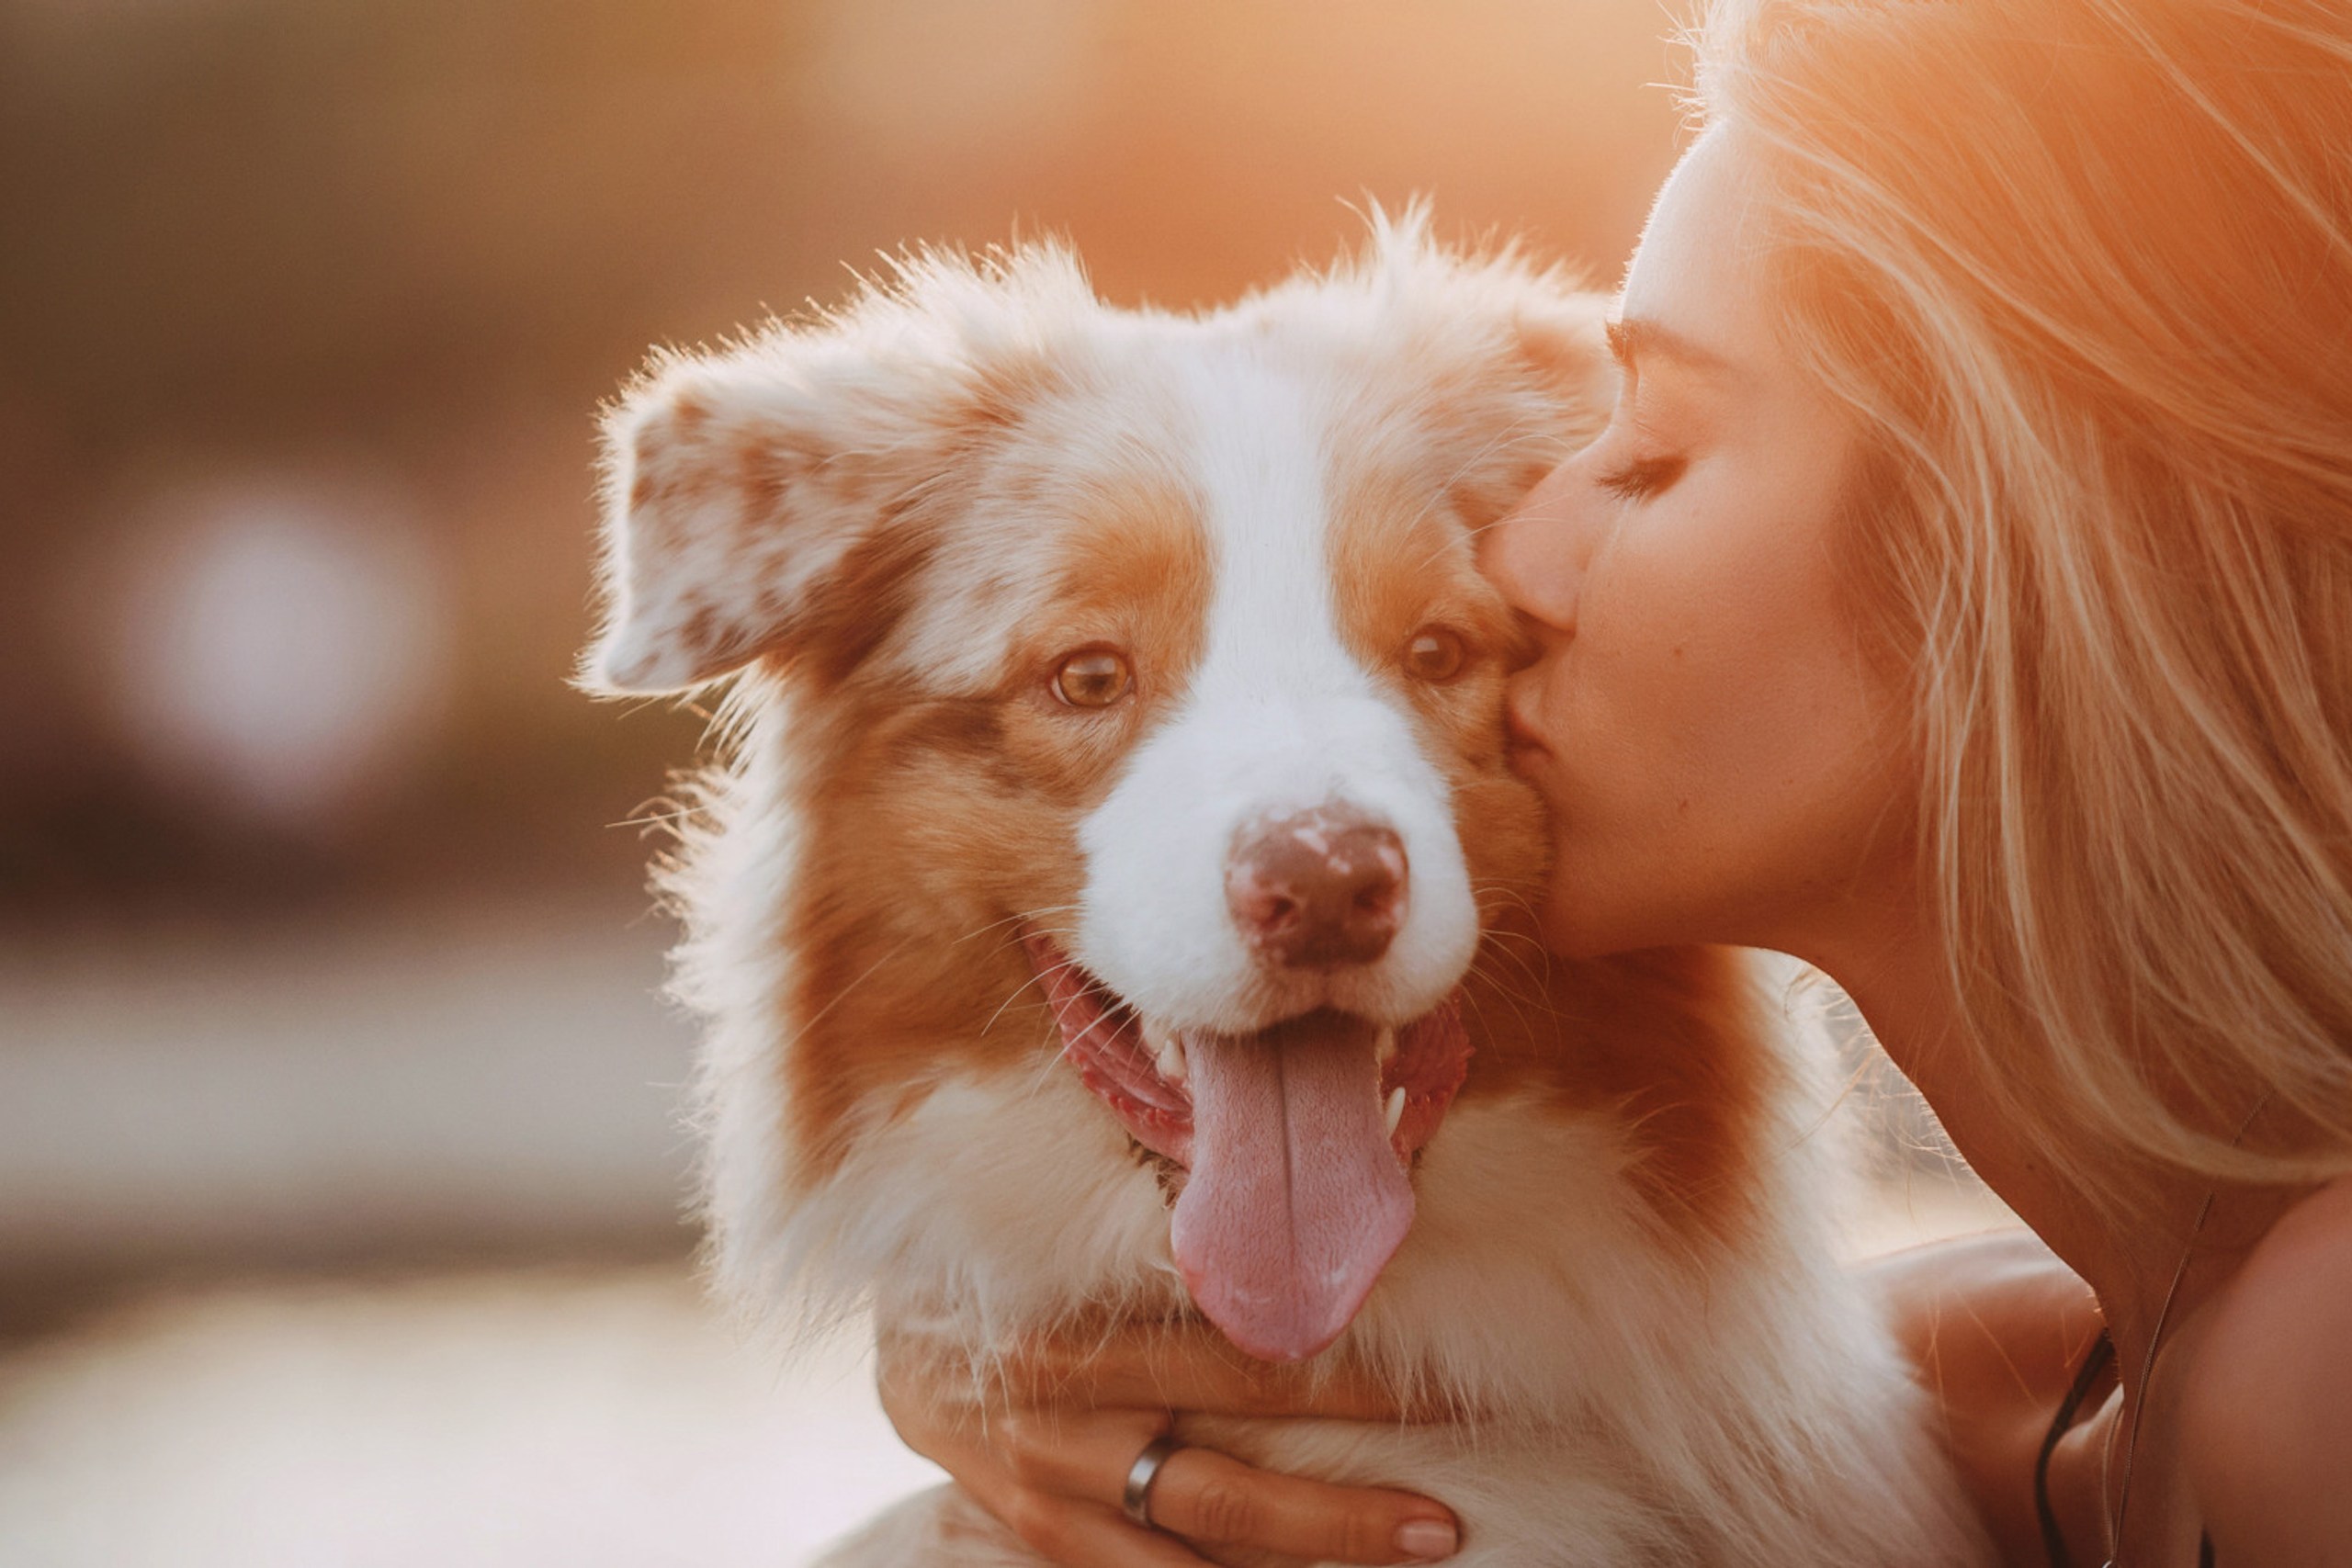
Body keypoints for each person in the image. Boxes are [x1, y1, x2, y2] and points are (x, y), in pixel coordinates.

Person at [876, 1, 2352, 1562]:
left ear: (2006, 555)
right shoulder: (2069, 1383)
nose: (1512, 553)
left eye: (1643, 453)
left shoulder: (2311, 1371)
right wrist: (1010, 1369)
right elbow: (1691, 1383)